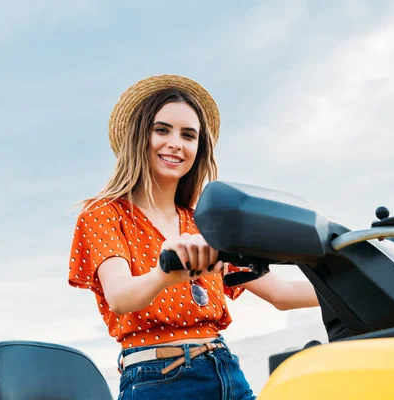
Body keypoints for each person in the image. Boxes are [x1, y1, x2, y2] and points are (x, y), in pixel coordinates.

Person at [68, 74, 319, 400]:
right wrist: (163, 274)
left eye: (188, 135)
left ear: (198, 149)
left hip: (226, 372)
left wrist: (358, 278)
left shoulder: (205, 224)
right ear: (138, 137)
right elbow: (119, 296)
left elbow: (282, 294)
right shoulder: (104, 213)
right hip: (159, 381)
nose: (175, 142)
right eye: (162, 130)